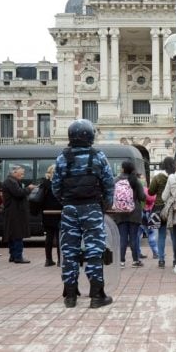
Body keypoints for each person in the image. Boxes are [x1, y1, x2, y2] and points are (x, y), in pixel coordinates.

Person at [51, 119, 115, 308]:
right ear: (90, 136)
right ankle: (97, 295)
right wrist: (104, 205)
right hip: (92, 208)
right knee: (95, 250)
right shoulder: (98, 157)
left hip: (70, 209)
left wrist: (66, 202)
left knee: (69, 251)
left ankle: (70, 296)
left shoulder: (62, 158)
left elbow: (56, 186)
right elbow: (109, 184)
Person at [111, 160, 146, 268]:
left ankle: (121, 261)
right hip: (134, 212)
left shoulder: (115, 180)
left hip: (120, 212)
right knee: (134, 237)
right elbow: (142, 197)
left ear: (122, 169)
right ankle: (135, 261)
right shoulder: (135, 181)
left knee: (122, 238)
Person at [2, 165, 36, 264]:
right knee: (17, 235)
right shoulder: (10, 181)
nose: (23, 175)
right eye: (21, 173)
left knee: (13, 234)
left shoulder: (12, 181)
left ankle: (13, 255)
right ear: (14, 172)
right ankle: (18, 256)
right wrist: (29, 188)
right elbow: (19, 193)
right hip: (15, 213)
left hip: (14, 212)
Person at [148, 157, 176, 269]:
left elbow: (150, 192)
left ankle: (161, 260)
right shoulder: (175, 177)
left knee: (161, 235)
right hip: (173, 209)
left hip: (160, 208)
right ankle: (175, 260)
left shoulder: (158, 177)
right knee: (174, 236)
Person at [39, 165, 62, 267]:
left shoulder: (44, 184)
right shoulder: (60, 184)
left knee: (49, 237)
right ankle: (60, 260)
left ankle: (48, 260)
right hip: (59, 213)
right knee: (59, 237)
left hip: (47, 213)